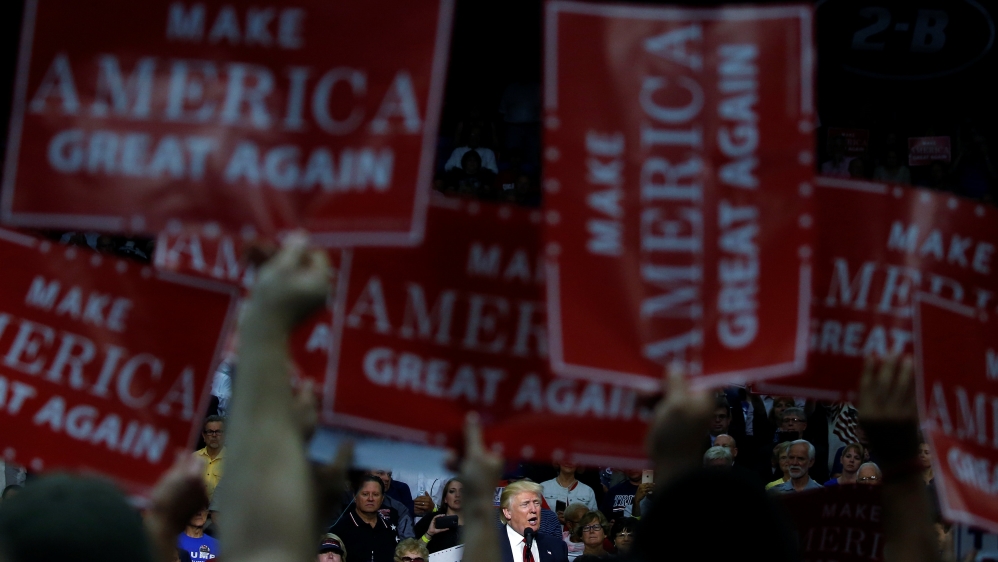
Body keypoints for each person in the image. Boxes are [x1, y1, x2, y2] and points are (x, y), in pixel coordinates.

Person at [329, 475, 400, 562]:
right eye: (365, 494)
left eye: (375, 494)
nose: (370, 499)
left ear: (382, 499)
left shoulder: (390, 529)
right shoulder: (340, 529)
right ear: (355, 497)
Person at [499, 480, 569, 562]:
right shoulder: (485, 547)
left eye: (536, 503)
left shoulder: (557, 547)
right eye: (525, 504)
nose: (533, 509)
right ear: (507, 512)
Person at [413, 478, 462, 553]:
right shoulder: (432, 519)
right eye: (452, 491)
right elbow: (411, 553)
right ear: (445, 499)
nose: (457, 495)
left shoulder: (477, 522)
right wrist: (428, 534)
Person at [366, 471, 415, 539]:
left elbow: (408, 542)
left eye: (389, 474)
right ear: (366, 473)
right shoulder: (348, 502)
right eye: (380, 473)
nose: (387, 478)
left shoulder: (399, 508)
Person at [194, 416, 226, 500]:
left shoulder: (233, 460)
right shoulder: (192, 459)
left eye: (218, 432)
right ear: (204, 436)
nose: (214, 435)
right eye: (210, 432)